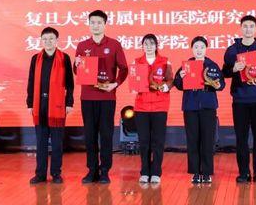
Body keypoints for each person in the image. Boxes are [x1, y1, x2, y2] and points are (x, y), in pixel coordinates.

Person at [74, 10, 128, 184]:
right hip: (87, 97)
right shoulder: (82, 45)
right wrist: (76, 64)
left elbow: (124, 69)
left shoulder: (114, 44)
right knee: (89, 135)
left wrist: (115, 84)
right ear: (89, 24)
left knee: (106, 135)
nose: (95, 25)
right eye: (92, 22)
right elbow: (78, 71)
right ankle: (92, 170)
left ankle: (105, 171)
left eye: (99, 22)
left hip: (107, 97)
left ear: (104, 24)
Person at [222, 15, 256, 184]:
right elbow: (224, 72)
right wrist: (233, 69)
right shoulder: (232, 50)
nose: (248, 29)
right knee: (241, 138)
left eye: (251, 26)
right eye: (245, 26)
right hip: (240, 101)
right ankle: (243, 172)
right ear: (241, 28)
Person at [174, 36, 225, 184]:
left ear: (206, 48)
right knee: (192, 140)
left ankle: (207, 172)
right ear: (192, 49)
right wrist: (180, 77)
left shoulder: (212, 65)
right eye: (196, 47)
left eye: (202, 47)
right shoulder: (186, 65)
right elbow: (178, 84)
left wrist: (216, 85)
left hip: (208, 107)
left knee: (207, 140)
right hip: (190, 107)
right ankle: (195, 172)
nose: (199, 50)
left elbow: (221, 84)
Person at [27, 27, 74, 184]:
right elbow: (31, 81)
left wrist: (69, 102)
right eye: (45, 39)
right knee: (41, 142)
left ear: (56, 41)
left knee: (57, 143)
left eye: (51, 39)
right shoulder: (35, 59)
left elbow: (70, 83)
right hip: (39, 104)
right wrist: (29, 103)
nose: (48, 42)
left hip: (57, 105)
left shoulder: (64, 58)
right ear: (41, 41)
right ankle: (40, 174)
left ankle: (56, 173)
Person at [132, 34, 173, 185]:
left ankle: (156, 172)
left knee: (158, 141)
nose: (149, 47)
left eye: (152, 44)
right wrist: (134, 87)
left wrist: (166, 86)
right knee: (144, 141)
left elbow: (170, 80)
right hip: (141, 107)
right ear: (142, 46)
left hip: (160, 106)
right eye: (146, 44)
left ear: (156, 46)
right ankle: (144, 171)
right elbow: (134, 81)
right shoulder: (137, 62)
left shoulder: (165, 61)